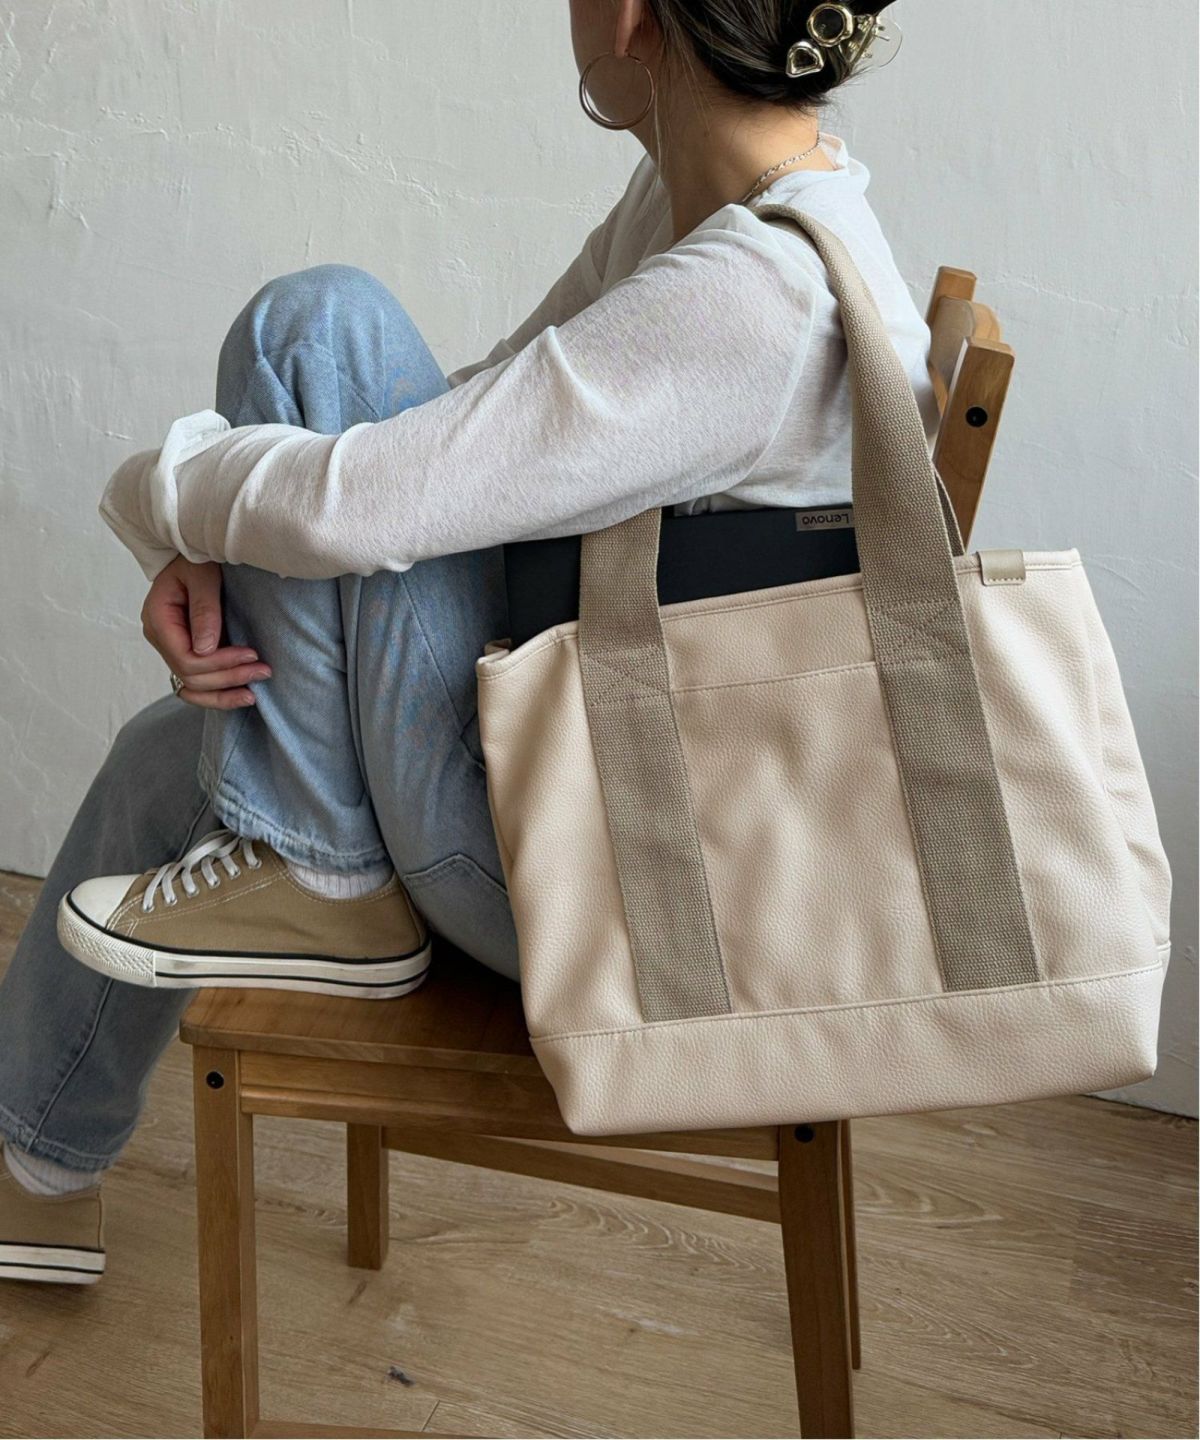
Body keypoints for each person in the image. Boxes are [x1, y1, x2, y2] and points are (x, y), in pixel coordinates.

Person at [0, 0, 931, 1284]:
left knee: (314, 327)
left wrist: (156, 498)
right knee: (175, 754)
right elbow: (467, 435)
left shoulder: (749, 298)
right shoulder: (733, 215)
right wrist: (223, 523)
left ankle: (323, 873)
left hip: (623, 911)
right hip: (616, 820)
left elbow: (366, 504)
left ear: (630, 14)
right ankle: (35, 1167)